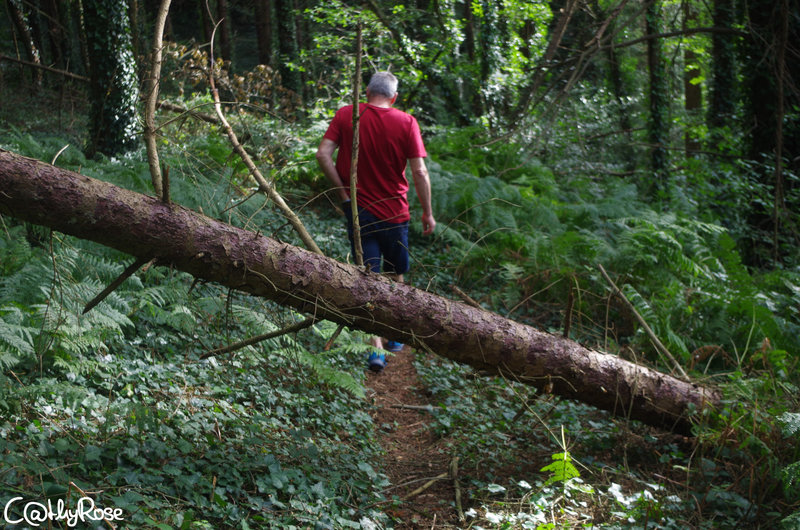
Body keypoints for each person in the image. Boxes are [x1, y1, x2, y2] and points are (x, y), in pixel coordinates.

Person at [316, 71, 435, 373]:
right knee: (397, 275)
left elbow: (323, 154)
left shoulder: (347, 115)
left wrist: (343, 192)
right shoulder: (407, 122)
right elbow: (420, 172)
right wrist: (427, 212)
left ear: (367, 91)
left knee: (367, 277)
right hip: (395, 213)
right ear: (394, 97)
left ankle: (376, 350)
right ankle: (394, 335)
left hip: (358, 211)